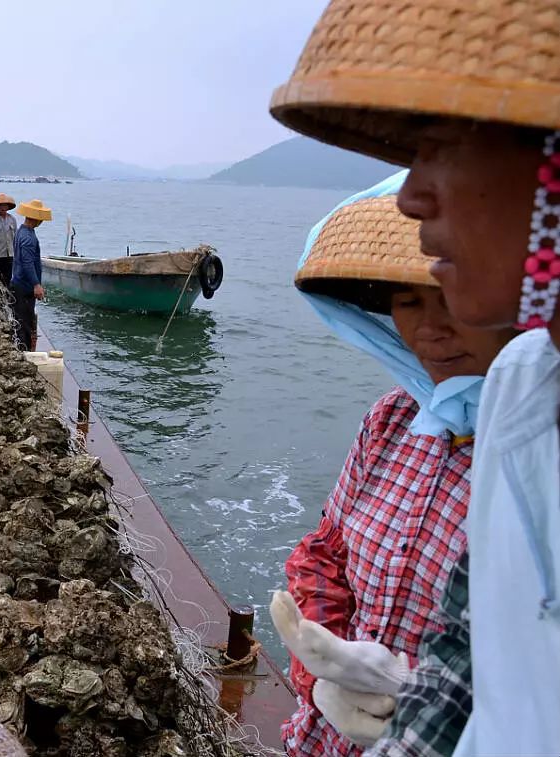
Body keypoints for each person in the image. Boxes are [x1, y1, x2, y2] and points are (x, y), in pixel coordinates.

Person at [269, 1, 560, 753]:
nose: (409, 193)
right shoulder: (420, 414)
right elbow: (459, 644)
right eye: (403, 300)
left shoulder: (513, 401)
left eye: (438, 145)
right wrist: (320, 671)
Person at [272, 172, 513, 756]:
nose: (428, 329)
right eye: (407, 300)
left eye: (451, 298)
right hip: (325, 738)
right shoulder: (393, 419)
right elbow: (327, 549)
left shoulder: (531, 452)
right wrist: (325, 667)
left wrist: (424, 701)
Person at [10, 199, 51, 351]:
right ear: (37, 218)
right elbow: (28, 263)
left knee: (22, 319)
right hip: (24, 286)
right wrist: (37, 284)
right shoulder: (28, 238)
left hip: (18, 282)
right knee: (25, 322)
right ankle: (25, 352)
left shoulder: (22, 231)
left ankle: (23, 348)